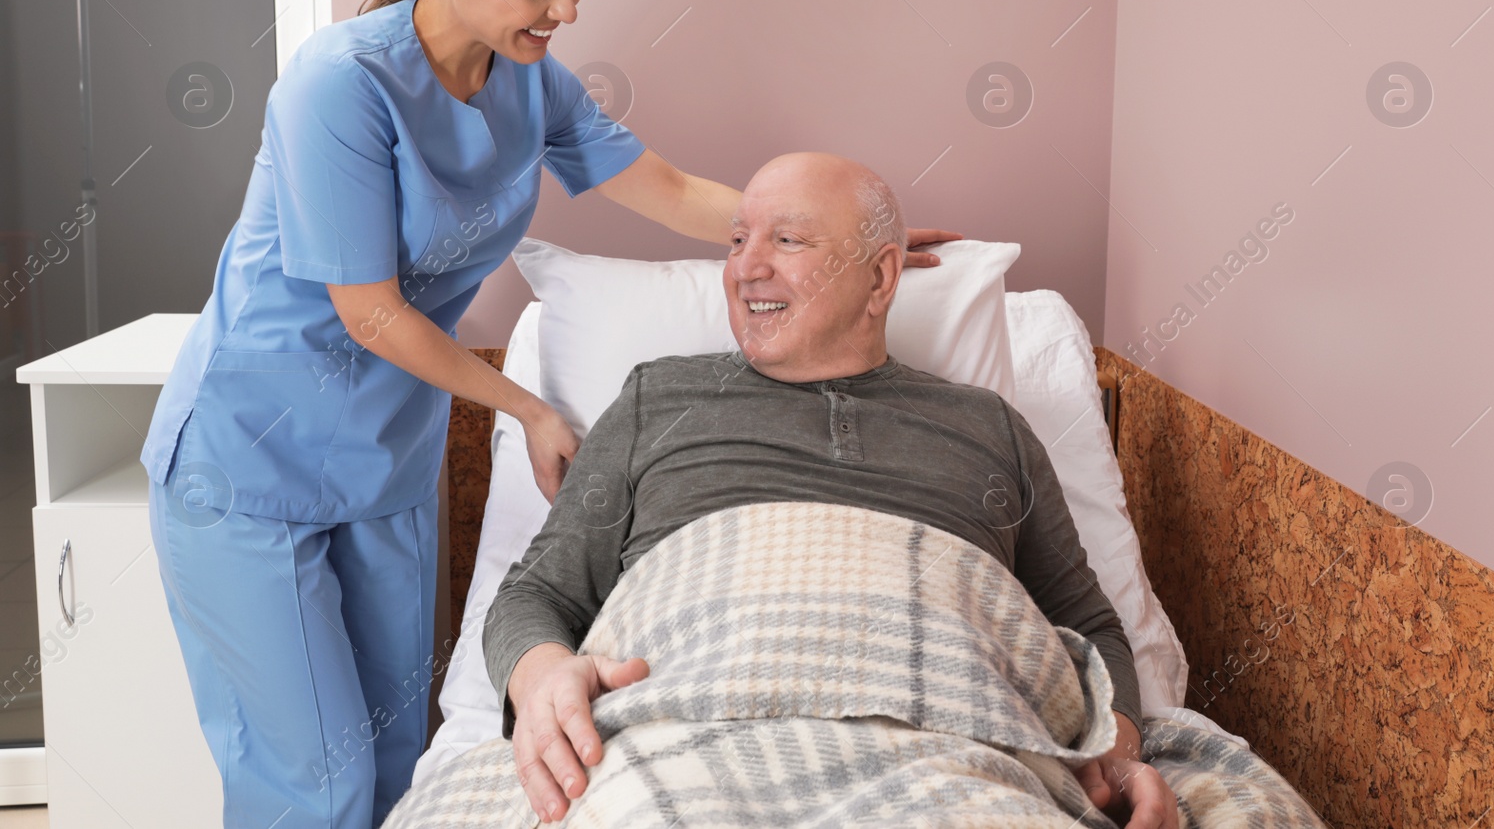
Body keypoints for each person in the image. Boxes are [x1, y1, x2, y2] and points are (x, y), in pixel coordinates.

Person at [138, 0, 958, 829]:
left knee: (399, 756)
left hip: (383, 461)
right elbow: (371, 308)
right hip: (251, 458)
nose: (565, 10)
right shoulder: (338, 86)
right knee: (313, 782)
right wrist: (526, 407)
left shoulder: (530, 80)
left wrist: (822, 236)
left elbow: (666, 189)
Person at [484, 152, 1182, 828]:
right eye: (736, 240)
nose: (744, 267)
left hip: (947, 759)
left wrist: (1114, 751)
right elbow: (535, 594)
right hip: (686, 748)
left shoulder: (990, 427)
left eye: (786, 240)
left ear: (880, 278)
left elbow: (1087, 625)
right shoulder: (657, 399)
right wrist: (544, 678)